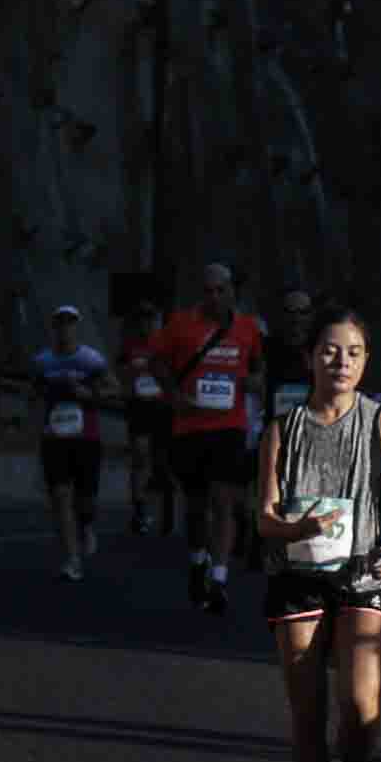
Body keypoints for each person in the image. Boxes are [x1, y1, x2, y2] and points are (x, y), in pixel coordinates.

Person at [259, 311, 381, 762]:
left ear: (366, 360)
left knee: (360, 700)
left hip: (360, 576)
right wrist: (299, 528)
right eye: (330, 350)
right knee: (308, 710)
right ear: (310, 357)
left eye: (352, 352)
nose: (341, 362)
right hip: (297, 576)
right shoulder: (282, 429)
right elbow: (263, 517)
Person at [143, 258, 273, 613]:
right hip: (189, 428)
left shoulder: (247, 329)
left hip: (229, 428)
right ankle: (198, 559)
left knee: (224, 501)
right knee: (197, 506)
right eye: (208, 291)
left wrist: (255, 383)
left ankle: (218, 578)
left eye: (221, 290)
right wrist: (172, 394)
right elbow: (153, 360)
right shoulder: (181, 324)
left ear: (232, 292)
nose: (214, 297)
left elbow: (258, 369)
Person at [22, 299, 120, 577]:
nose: (65, 328)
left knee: (85, 499)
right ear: (54, 327)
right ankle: (72, 559)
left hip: (86, 438)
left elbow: (114, 388)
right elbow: (31, 393)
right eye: (60, 323)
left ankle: (87, 525)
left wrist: (91, 395)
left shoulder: (90, 359)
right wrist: (33, 415)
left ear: (76, 326)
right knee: (60, 496)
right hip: (54, 438)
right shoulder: (43, 361)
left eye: (69, 323)